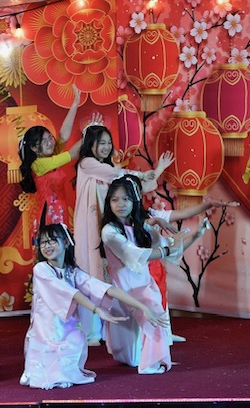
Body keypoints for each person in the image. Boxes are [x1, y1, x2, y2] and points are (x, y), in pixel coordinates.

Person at [20, 222, 169, 389]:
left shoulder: (72, 272)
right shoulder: (41, 269)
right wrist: (97, 310)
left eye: (52, 240)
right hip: (45, 331)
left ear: (66, 242)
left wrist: (143, 307)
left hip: (68, 327)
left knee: (76, 340)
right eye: (43, 243)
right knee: (51, 375)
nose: (47, 246)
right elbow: (70, 293)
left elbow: (104, 288)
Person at [73, 120, 174, 345]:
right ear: (90, 144)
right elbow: (119, 174)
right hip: (92, 231)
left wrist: (158, 171)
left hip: (113, 230)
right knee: (92, 274)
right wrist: (142, 174)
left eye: (109, 143)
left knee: (115, 277)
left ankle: (124, 329)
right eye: (102, 143)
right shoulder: (87, 164)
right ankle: (92, 330)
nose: (106, 147)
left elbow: (136, 189)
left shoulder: (113, 177)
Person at [100, 175, 209, 374]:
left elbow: (170, 249)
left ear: (134, 201)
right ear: (109, 203)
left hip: (143, 287)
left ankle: (150, 363)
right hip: (122, 292)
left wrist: (195, 234)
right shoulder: (109, 231)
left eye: (125, 199)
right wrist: (166, 250)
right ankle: (143, 358)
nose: (120, 204)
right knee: (128, 357)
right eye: (115, 200)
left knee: (154, 314)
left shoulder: (142, 227)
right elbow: (133, 254)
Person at [145, 197, 239, 342]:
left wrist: (210, 204)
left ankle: (164, 333)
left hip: (155, 264)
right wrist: (155, 222)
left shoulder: (153, 213)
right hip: (140, 265)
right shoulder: (131, 220)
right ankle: (150, 338)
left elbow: (184, 213)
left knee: (160, 294)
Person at [18, 85, 82, 235]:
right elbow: (72, 154)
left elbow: (63, 136)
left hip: (61, 211)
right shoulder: (38, 164)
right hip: (49, 214)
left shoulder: (49, 156)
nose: (50, 143)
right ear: (34, 148)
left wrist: (75, 104)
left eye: (50, 138)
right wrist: (90, 131)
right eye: (44, 141)